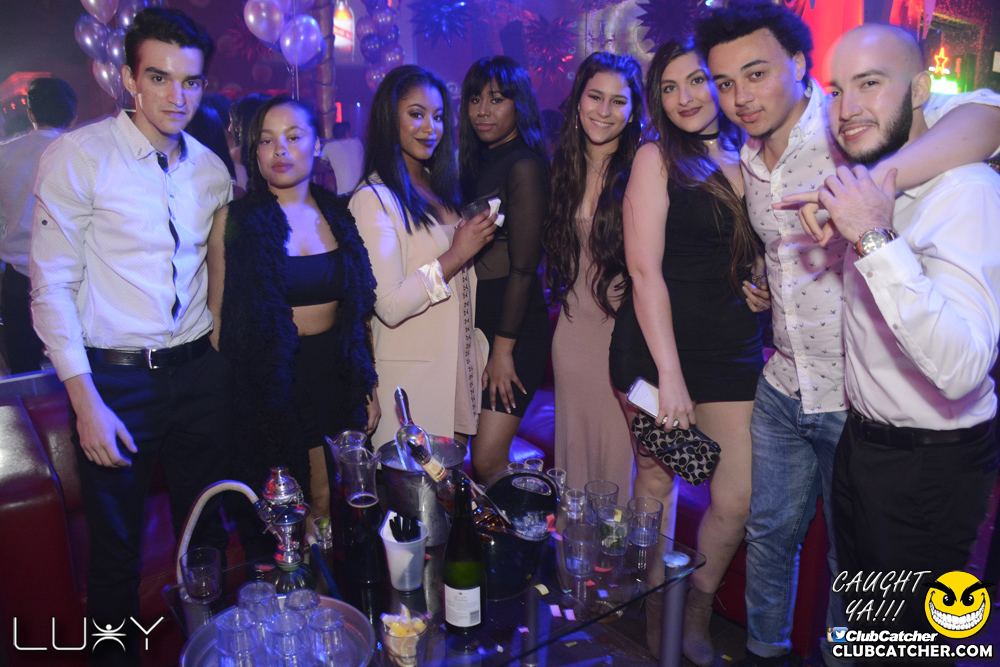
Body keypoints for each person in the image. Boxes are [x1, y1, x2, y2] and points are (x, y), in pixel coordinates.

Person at [696, 2, 1000, 665]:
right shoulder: (749, 156)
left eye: (756, 73)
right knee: (787, 547)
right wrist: (763, 278)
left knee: (886, 612)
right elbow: (785, 250)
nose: (740, 96)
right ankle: (766, 651)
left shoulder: (873, 146)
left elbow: (985, 114)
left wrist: (868, 202)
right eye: (725, 83)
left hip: (889, 422)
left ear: (798, 66)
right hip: (804, 389)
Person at [29, 9, 232, 665]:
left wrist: (219, 357)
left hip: (198, 374)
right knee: (116, 553)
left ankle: (208, 652)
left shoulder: (210, 169)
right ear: (129, 79)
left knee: (204, 536)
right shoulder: (78, 157)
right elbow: (50, 286)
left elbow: (216, 268)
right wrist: (84, 398)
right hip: (116, 381)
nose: (177, 96)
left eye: (191, 81)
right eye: (159, 77)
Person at [817, 23, 1000, 643]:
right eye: (837, 90)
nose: (847, 108)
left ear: (922, 90)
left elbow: (962, 367)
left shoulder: (968, 191)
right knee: (869, 633)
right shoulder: (876, 175)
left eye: (870, 83)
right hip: (864, 446)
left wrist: (873, 235)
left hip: (930, 466)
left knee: (915, 647)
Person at [608, 39, 765, 667]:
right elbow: (644, 272)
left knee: (737, 496)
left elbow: (763, 247)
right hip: (654, 354)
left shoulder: (752, 155)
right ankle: (656, 609)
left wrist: (761, 283)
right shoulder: (656, 157)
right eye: (669, 88)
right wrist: (669, 377)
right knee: (656, 477)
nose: (684, 98)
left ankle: (697, 606)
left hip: (731, 350)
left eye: (696, 80)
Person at [207, 95, 379, 536]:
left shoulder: (338, 213)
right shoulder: (234, 220)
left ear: (317, 144)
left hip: (334, 377)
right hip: (270, 384)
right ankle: (292, 576)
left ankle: (323, 578)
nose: (279, 149)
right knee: (285, 508)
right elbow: (218, 321)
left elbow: (357, 310)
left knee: (332, 499)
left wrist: (368, 385)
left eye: (293, 136)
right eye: (266, 140)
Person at [349, 65, 496, 450]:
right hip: (412, 386)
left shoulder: (442, 189)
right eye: (416, 114)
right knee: (417, 488)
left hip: (457, 370)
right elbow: (389, 305)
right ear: (388, 118)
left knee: (453, 487)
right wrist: (457, 253)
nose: (431, 127)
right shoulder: (373, 199)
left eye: (438, 116)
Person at [545, 52, 644, 501]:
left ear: (633, 111)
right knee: (577, 467)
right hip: (572, 338)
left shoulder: (644, 171)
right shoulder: (561, 170)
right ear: (578, 101)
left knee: (625, 467)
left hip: (628, 342)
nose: (604, 111)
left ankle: (624, 548)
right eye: (595, 97)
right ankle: (578, 546)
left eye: (618, 101)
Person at [458, 56, 552, 482]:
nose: (483, 110)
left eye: (497, 99)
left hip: (513, 327)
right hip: (475, 322)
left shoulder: (524, 165)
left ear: (519, 104)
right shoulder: (473, 165)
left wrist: (502, 350)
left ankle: (526, 524)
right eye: (475, 99)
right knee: (467, 458)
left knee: (487, 458)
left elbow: (525, 267)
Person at [0, 77, 76, 374]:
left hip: (20, 277)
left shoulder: (4, 154)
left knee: (24, 372)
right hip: (72, 277)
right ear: (72, 114)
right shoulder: (83, 153)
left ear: (30, 113)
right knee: (79, 368)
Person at [322, 121, 365, 194]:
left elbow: (322, 163)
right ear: (347, 132)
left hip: (344, 192)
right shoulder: (357, 143)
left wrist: (331, 167)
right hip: (362, 190)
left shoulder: (329, 146)